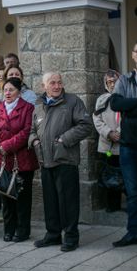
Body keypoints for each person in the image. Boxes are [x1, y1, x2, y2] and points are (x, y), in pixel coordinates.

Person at [29, 72, 92, 252]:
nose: (57, 86)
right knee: (50, 200)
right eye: (52, 83)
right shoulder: (39, 105)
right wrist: (34, 141)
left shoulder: (72, 102)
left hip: (65, 159)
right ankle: (53, 234)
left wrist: (64, 139)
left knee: (68, 201)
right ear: (44, 87)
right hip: (45, 160)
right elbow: (32, 129)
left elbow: (86, 126)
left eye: (59, 82)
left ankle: (71, 237)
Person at [0, 78, 38, 242]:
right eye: (5, 90)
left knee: (22, 197)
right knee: (5, 196)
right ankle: (9, 229)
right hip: (1, 159)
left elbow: (26, 131)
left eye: (11, 90)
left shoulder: (28, 108)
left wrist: (7, 145)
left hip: (21, 159)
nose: (7, 93)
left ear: (19, 92)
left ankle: (22, 230)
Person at [110, 39, 137, 247]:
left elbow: (123, 105)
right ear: (132, 55)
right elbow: (115, 103)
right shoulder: (124, 80)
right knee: (133, 193)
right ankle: (133, 233)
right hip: (129, 146)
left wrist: (129, 108)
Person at [93, 70, 122, 212]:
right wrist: (109, 133)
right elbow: (97, 119)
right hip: (108, 146)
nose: (112, 84)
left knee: (126, 175)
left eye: (115, 81)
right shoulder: (101, 100)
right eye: (109, 82)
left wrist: (120, 133)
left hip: (123, 145)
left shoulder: (125, 97)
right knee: (110, 175)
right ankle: (112, 205)